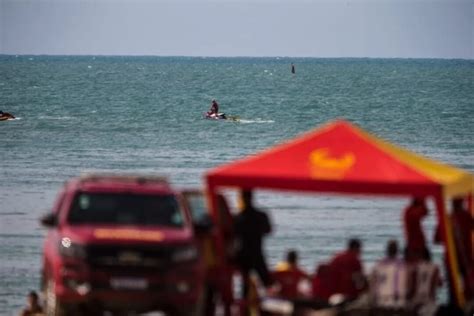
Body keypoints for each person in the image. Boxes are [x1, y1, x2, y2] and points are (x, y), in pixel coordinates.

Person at [233, 190, 273, 307]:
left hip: (243, 255)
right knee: (267, 284)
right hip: (257, 253)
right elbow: (268, 230)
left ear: (241, 199)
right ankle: (270, 309)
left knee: (244, 288)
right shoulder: (261, 215)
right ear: (252, 197)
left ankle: (243, 311)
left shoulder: (238, 217)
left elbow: (232, 235)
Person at [369, 240, 415, 309]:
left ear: (386, 250)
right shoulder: (403, 266)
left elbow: (372, 284)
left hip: (380, 301)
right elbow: (410, 285)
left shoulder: (378, 265)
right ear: (397, 251)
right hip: (398, 302)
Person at [411, 248, 443, 315]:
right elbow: (440, 283)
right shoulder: (435, 267)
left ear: (421, 256)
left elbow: (412, 283)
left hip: (417, 299)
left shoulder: (416, 266)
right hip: (430, 300)